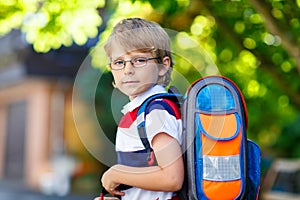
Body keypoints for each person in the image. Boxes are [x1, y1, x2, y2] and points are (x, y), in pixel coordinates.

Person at [95, 18, 184, 200]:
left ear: (163, 66)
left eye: (139, 60)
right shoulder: (138, 112)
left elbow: (172, 178)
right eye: (119, 62)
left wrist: (117, 173)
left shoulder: (156, 112)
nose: (127, 69)